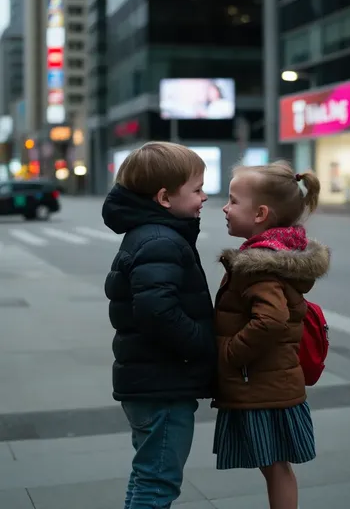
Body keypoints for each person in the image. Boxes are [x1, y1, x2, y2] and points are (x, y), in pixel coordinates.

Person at [102, 142, 217, 509]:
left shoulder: (154, 234)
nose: (205, 196)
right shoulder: (160, 240)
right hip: (162, 385)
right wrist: (204, 342)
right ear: (165, 197)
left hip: (150, 382)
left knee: (147, 475)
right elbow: (157, 311)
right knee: (158, 483)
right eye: (197, 189)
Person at [213, 161, 331, 509]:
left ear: (261, 213)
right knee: (277, 468)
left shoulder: (258, 265)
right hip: (274, 385)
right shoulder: (277, 254)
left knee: (276, 468)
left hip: (264, 389)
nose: (225, 206)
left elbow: (273, 319)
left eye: (233, 200)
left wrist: (231, 353)